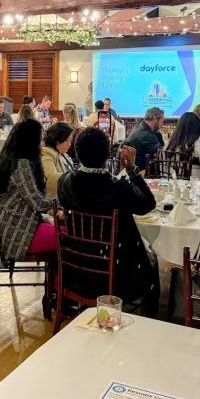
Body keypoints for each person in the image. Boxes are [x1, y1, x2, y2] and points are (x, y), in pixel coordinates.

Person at [57, 128, 159, 316]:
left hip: (76, 266)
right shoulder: (118, 188)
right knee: (152, 261)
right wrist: (132, 169)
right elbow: (148, 204)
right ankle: (150, 320)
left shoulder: (65, 182)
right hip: (118, 272)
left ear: (77, 152)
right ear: (108, 154)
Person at [0, 118, 56, 264]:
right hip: (16, 232)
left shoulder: (8, 158)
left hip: (7, 224)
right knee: (65, 235)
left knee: (63, 230)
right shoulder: (22, 164)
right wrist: (59, 202)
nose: (42, 143)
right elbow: (37, 203)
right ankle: (58, 278)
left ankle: (56, 278)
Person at [41, 122, 75, 197]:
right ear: (57, 141)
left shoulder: (62, 153)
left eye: (70, 141)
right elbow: (51, 180)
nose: (69, 144)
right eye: (67, 141)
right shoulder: (47, 154)